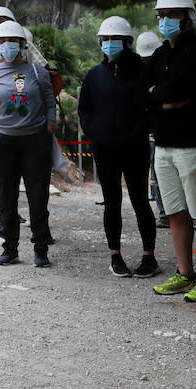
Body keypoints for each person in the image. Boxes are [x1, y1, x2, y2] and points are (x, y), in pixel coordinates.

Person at [143, 0, 196, 303]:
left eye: (171, 15)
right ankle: (185, 272)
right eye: (161, 16)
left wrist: (159, 96)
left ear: (188, 18)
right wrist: (159, 99)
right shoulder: (160, 54)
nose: (165, 21)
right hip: (164, 146)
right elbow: (143, 93)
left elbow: (178, 92)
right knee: (175, 212)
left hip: (195, 145)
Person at [78, 17, 158, 278]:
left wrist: (137, 132)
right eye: (106, 39)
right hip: (105, 150)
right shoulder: (93, 76)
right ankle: (115, 256)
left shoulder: (140, 74)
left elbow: (150, 110)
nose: (110, 44)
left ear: (126, 42)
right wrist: (96, 134)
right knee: (112, 202)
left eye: (116, 40)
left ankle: (149, 257)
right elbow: (85, 111)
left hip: (134, 148)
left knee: (140, 201)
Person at [0, 20, 56, 267]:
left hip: (35, 142)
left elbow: (49, 101)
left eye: (13, 42)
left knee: (37, 197)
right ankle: (9, 248)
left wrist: (49, 126)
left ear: (22, 45)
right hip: (2, 143)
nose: (8, 46)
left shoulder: (37, 73)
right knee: (6, 198)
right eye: (3, 42)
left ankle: (40, 248)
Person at [135, 31, 169, 227]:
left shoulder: (165, 70)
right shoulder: (142, 74)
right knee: (156, 177)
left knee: (162, 176)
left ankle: (169, 213)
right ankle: (164, 214)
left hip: (162, 130)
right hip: (149, 131)